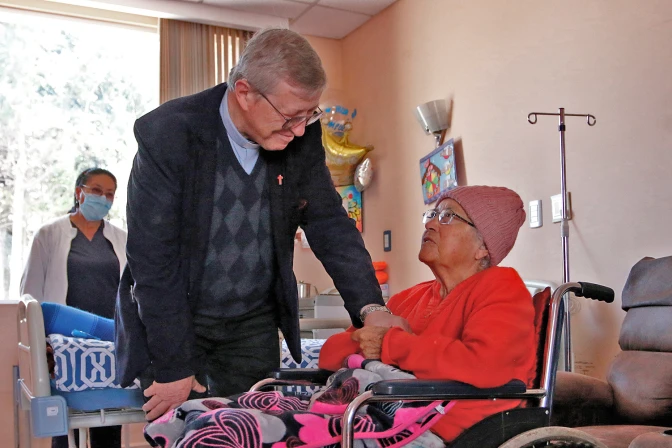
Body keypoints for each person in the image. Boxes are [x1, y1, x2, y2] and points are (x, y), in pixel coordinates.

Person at [115, 27, 408, 421]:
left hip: (251, 322)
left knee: (257, 429)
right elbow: (153, 259)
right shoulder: (170, 133)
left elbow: (330, 225)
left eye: (310, 115)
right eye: (290, 116)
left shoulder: (300, 137)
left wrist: (372, 307)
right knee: (181, 431)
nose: (301, 129)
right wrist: (173, 366)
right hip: (177, 315)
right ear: (244, 92)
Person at [318, 185, 536, 444]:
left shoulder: (501, 285)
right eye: (432, 215)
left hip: (454, 432)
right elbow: (329, 354)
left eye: (448, 216)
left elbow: (484, 365)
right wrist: (376, 344)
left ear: (483, 248)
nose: (431, 224)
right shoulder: (408, 297)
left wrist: (390, 345)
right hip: (380, 418)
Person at [21, 167, 126, 448]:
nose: (103, 198)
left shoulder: (121, 239)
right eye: (96, 191)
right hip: (62, 343)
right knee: (64, 425)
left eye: (110, 194)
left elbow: (131, 293)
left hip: (107, 342)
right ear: (79, 192)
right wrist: (37, 340)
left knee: (108, 421)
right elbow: (31, 292)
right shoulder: (49, 234)